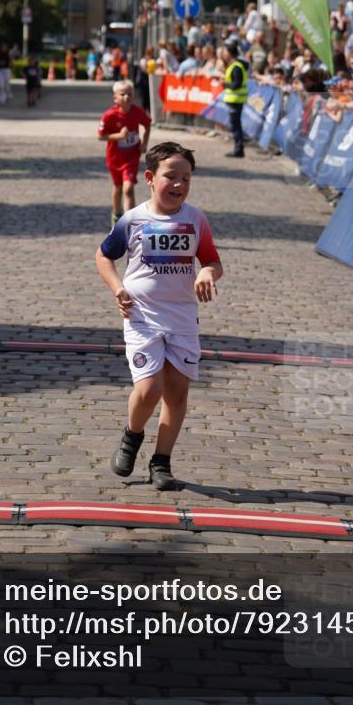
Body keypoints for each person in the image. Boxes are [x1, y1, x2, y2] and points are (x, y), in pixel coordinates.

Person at [95, 141, 223, 491]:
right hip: (142, 316)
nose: (179, 185)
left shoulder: (196, 219)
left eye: (186, 178)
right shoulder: (133, 219)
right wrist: (117, 288)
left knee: (177, 393)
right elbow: (103, 256)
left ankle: (161, 462)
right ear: (150, 178)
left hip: (182, 318)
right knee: (149, 389)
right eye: (171, 177)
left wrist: (206, 273)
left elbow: (212, 261)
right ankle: (131, 436)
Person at [98, 79, 152, 227]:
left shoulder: (137, 112)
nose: (126, 97)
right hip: (115, 158)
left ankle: (130, 222)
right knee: (118, 188)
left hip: (131, 157)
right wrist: (118, 136)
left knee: (128, 188)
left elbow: (147, 125)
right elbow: (101, 136)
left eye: (130, 94)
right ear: (115, 98)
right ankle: (116, 213)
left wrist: (144, 143)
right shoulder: (110, 115)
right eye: (122, 94)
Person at [222, 39, 249, 158]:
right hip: (234, 101)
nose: (223, 53)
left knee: (235, 126)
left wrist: (225, 84)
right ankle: (238, 148)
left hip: (236, 100)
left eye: (224, 51)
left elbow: (236, 84)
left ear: (229, 52)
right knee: (235, 125)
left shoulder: (237, 67)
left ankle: (238, 150)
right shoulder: (234, 65)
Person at [0, 41, 12, 105]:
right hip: (0, 70)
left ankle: (7, 95)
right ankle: (2, 99)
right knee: (1, 85)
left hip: (6, 70)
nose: (3, 48)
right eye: (2, 47)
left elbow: (11, 62)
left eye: (4, 47)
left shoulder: (8, 54)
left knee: (6, 84)